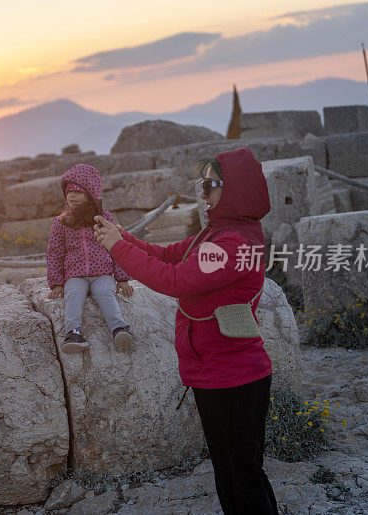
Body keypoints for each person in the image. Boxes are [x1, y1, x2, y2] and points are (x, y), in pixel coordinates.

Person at [93, 148, 278, 514]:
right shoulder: (220, 232)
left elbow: (175, 279)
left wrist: (116, 248)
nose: (203, 193)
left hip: (234, 379)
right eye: (202, 185)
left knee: (242, 476)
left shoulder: (233, 243)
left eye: (210, 185)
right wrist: (122, 238)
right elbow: (169, 256)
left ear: (234, 189)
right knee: (231, 474)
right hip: (217, 373)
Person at [45, 163, 135, 354]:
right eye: (69, 191)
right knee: (73, 295)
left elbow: (116, 248)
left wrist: (122, 278)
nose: (72, 196)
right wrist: (56, 283)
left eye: (78, 192)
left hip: (103, 274)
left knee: (104, 294)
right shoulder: (61, 222)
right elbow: (55, 252)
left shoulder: (104, 218)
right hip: (75, 276)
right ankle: (73, 334)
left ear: (90, 193)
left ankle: (120, 329)